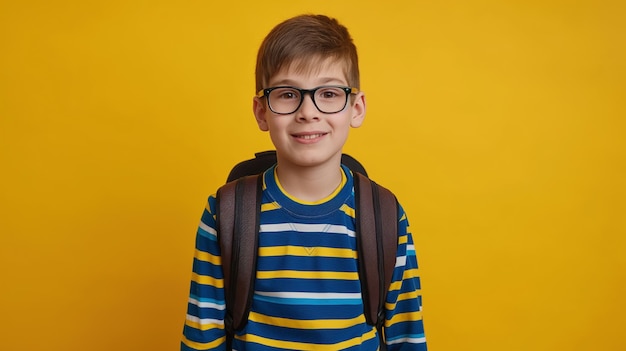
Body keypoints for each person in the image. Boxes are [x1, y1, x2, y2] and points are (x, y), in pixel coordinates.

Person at [181, 14, 427, 350]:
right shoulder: (225, 214)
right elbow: (201, 339)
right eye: (287, 94)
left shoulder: (385, 216)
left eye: (328, 93)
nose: (308, 111)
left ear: (356, 108)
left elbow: (407, 338)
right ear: (261, 111)